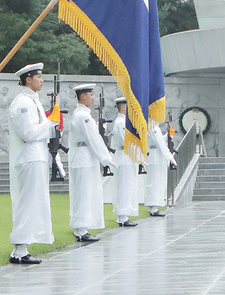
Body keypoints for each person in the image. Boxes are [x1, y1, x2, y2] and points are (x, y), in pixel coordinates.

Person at [8, 63, 56, 267]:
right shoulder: (22, 104)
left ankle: (23, 247)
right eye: (39, 77)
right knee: (26, 202)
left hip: (37, 156)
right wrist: (51, 122)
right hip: (29, 157)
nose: (42, 80)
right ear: (28, 79)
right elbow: (29, 133)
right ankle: (19, 249)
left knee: (34, 202)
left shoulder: (32, 101)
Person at [67, 84, 115, 242]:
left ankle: (82, 226)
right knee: (83, 193)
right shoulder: (83, 116)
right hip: (83, 158)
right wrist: (107, 158)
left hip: (86, 157)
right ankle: (80, 229)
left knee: (86, 192)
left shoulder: (83, 114)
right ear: (82, 97)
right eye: (90, 94)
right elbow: (94, 139)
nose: (93, 98)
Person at [107, 97, 139, 227]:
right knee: (123, 187)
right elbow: (124, 140)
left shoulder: (126, 122)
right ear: (123, 107)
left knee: (128, 186)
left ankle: (124, 214)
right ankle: (121, 216)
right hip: (123, 157)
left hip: (128, 157)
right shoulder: (120, 122)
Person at [144, 120, 176, 217]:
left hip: (157, 156)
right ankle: (153, 208)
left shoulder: (154, 126)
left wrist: (168, 135)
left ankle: (155, 206)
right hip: (154, 156)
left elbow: (160, 141)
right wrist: (170, 157)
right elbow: (160, 144)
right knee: (154, 182)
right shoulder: (151, 126)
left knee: (158, 182)